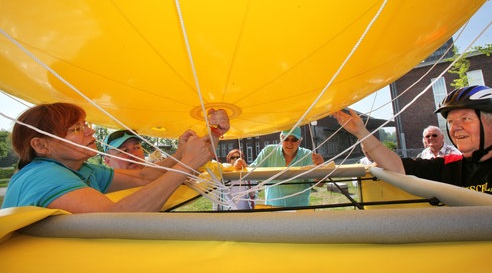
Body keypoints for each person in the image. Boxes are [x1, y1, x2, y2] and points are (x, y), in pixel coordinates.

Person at [1, 102, 230, 212]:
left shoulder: (81, 169)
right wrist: (187, 162)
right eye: (76, 129)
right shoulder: (43, 175)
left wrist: (187, 149)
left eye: (86, 125)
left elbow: (143, 176)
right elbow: (116, 218)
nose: (91, 131)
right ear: (41, 145)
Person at [333, 85, 492, 199]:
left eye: (465, 119)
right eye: (450, 122)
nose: (455, 128)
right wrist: (361, 132)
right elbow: (397, 167)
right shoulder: (450, 165)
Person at [250, 127, 324, 207]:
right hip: (273, 210)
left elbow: (319, 184)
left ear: (299, 141)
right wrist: (241, 165)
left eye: (294, 139)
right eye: (286, 139)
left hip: (299, 211)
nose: (289, 143)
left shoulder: (308, 155)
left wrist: (321, 169)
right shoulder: (268, 152)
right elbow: (250, 173)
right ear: (281, 139)